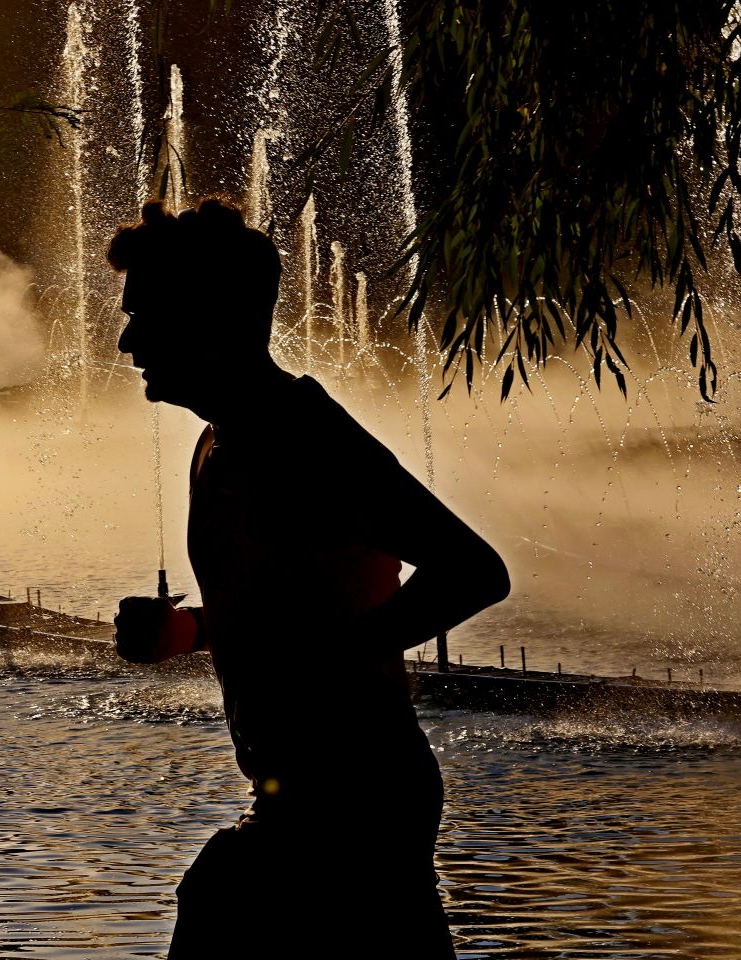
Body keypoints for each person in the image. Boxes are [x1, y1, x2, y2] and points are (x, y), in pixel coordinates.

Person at [108, 199, 510, 957]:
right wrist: (184, 631)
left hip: (358, 797)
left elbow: (473, 569)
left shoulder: (307, 440)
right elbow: (285, 601)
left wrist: (334, 660)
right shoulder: (216, 443)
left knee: (217, 908)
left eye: (147, 314)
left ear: (211, 321)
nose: (127, 340)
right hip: (299, 793)